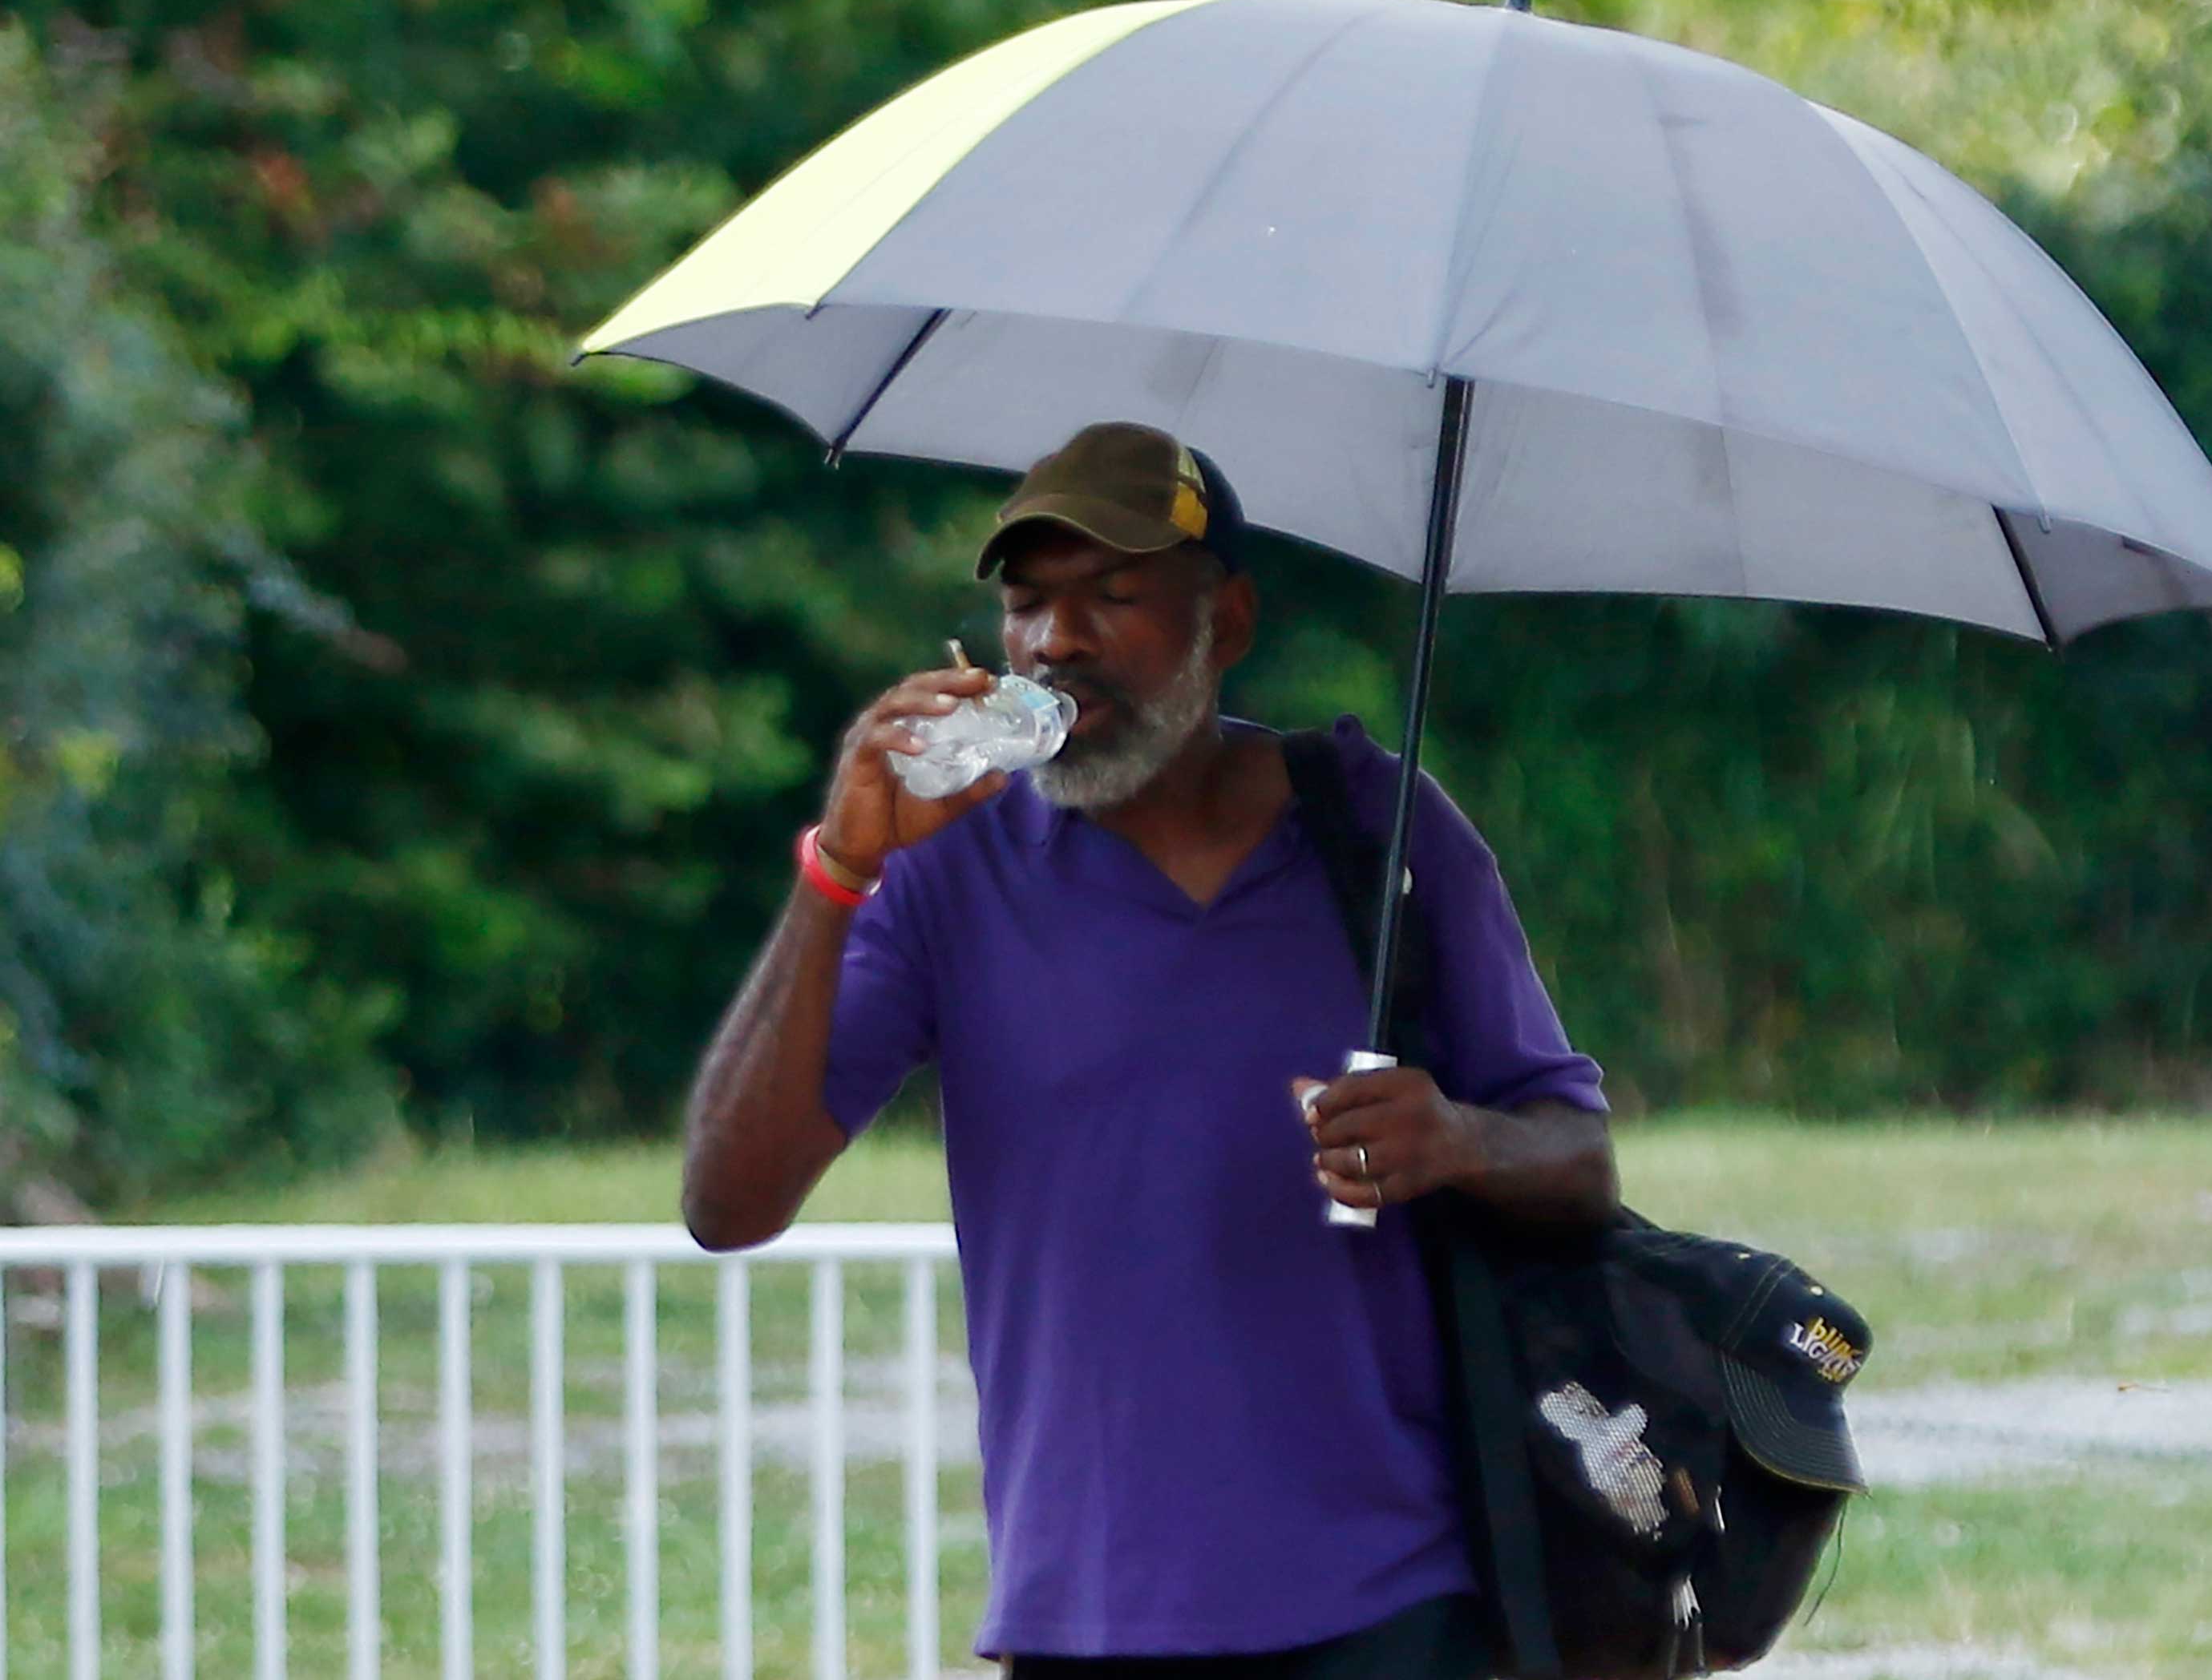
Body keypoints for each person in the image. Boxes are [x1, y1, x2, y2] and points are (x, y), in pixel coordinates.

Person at [681, 421, 1619, 1679]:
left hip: (1397, 1595)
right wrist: (839, 868)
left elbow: (1578, 1160)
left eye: (1112, 598)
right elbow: (728, 1204)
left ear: (1223, 624)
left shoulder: (1377, 829)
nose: (1056, 643)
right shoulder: (947, 863)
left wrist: (1454, 1138)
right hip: (1088, 1611)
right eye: (1027, 606)